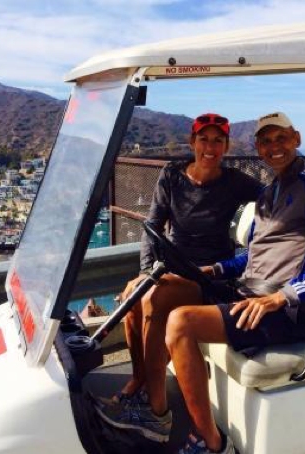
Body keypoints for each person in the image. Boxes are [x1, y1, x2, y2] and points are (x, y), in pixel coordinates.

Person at [165, 112, 305, 454]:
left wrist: (283, 297)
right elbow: (253, 256)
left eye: (281, 138)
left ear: (297, 138)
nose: (274, 147)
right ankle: (151, 402)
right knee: (167, 291)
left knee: (181, 323)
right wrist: (215, 269)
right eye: (265, 141)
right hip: (249, 295)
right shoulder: (267, 195)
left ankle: (212, 442)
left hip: (285, 313)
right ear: (258, 148)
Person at [95, 113, 263, 442]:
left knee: (153, 298)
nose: (210, 147)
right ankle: (139, 382)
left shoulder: (235, 182)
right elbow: (152, 227)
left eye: (218, 141)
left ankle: (157, 413)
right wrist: (145, 272)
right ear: (192, 143)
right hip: (169, 269)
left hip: (210, 278)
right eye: (204, 139)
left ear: (226, 146)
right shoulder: (172, 175)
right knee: (134, 299)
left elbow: (276, 197)